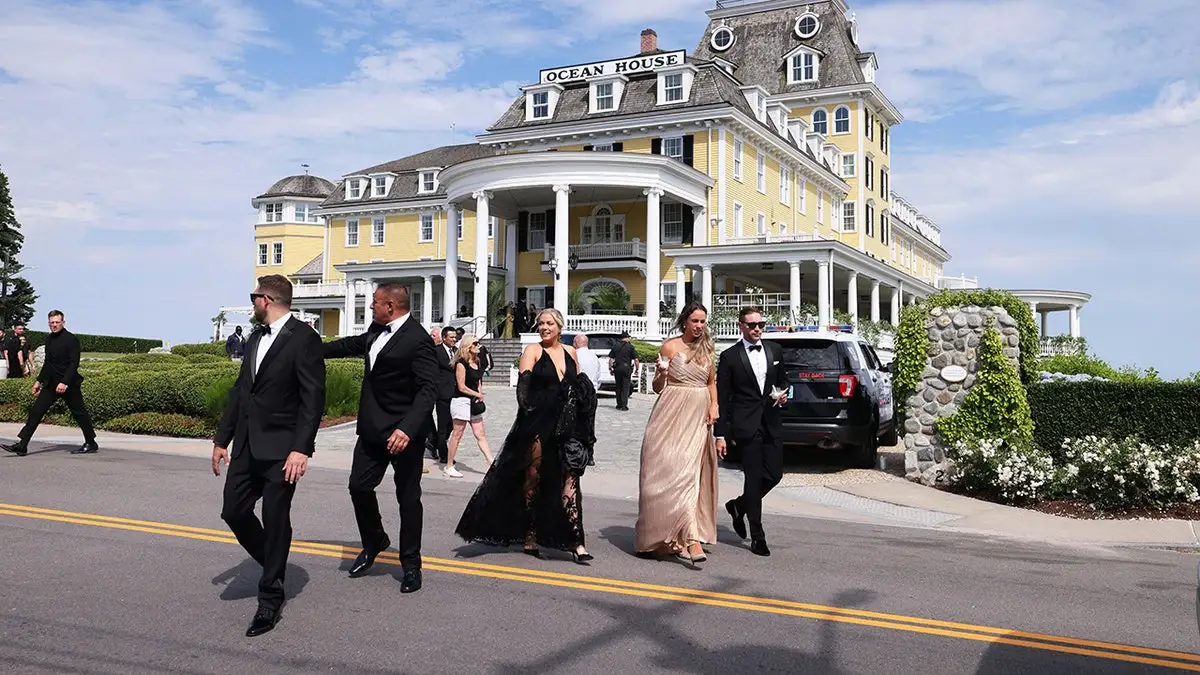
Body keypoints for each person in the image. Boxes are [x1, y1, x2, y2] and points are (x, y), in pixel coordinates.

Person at [211, 275, 326, 637]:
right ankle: (274, 563)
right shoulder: (256, 337)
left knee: (276, 518)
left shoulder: (304, 339)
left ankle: (270, 596)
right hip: (246, 445)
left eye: (253, 297)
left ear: (268, 299)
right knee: (233, 510)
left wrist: (301, 448)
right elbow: (241, 391)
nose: (251, 304)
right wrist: (222, 438)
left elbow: (313, 399)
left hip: (282, 450)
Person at [455, 308, 597, 564]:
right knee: (534, 477)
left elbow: (577, 387)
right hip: (537, 424)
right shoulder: (532, 351)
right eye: (541, 324)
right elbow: (523, 389)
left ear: (560, 326)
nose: (544, 328)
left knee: (570, 479)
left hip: (566, 427)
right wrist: (532, 410)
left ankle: (576, 541)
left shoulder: (570, 352)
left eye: (549, 323)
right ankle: (530, 531)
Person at [323, 283, 439, 593]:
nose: (370, 307)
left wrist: (406, 429)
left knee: (408, 499)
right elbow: (352, 344)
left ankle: (411, 565)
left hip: (404, 435)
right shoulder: (376, 330)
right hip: (373, 430)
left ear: (391, 306)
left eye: (375, 303)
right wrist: (312, 348)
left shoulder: (418, 340)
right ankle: (375, 541)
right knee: (358, 487)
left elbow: (429, 390)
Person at [635, 301, 719, 564]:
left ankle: (692, 539)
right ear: (685, 321)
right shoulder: (670, 346)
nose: (699, 326)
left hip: (697, 416)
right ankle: (659, 535)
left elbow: (711, 382)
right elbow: (658, 387)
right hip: (668, 416)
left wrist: (714, 405)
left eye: (703, 321)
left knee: (688, 475)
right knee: (660, 476)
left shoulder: (707, 348)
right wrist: (660, 374)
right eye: (695, 321)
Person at [714, 307, 789, 557]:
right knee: (754, 478)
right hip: (745, 425)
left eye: (761, 324)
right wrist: (720, 434)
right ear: (741, 326)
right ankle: (758, 536)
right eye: (752, 324)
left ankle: (739, 505)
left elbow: (783, 380)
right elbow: (723, 399)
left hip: (771, 421)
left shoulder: (775, 350)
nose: (758, 328)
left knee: (774, 475)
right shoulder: (730, 357)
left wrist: (782, 394)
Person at [3, 311, 98, 457]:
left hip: (69, 384)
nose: (54, 325)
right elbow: (48, 363)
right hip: (51, 384)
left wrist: (64, 382)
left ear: (63, 323)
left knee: (79, 413)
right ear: (49, 323)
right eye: (52, 322)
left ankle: (91, 442)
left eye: (57, 322)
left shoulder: (71, 339)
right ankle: (22, 445)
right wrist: (38, 381)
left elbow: (74, 363)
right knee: (36, 411)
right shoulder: (49, 339)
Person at [445, 336, 494, 477]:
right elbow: (461, 386)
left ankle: (491, 462)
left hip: (473, 402)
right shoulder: (461, 363)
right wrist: (477, 394)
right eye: (475, 343)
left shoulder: (477, 361)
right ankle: (449, 465)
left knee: (480, 434)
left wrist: (479, 393)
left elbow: (478, 380)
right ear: (468, 346)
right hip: (461, 401)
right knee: (457, 434)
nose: (479, 346)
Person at [428, 326, 458, 464]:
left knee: (453, 425)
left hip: (456, 394)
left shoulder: (456, 351)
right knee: (443, 426)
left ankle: (435, 443)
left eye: (455, 337)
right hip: (442, 393)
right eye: (451, 337)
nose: (454, 339)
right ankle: (444, 455)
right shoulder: (436, 351)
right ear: (444, 338)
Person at [608, 331, 638, 411]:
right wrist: (637, 369)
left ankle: (619, 404)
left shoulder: (615, 346)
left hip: (617, 368)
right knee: (625, 387)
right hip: (626, 368)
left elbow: (611, 359)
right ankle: (624, 405)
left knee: (618, 386)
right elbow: (636, 359)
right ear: (627, 337)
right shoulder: (630, 347)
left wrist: (610, 368)